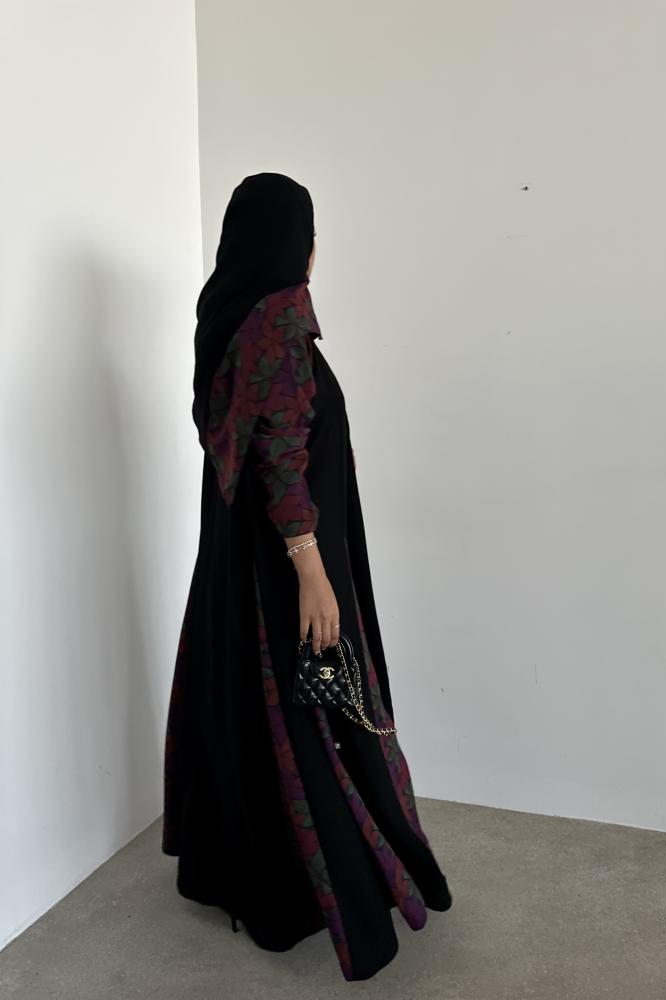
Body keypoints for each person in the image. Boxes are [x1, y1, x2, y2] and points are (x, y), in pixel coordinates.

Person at [161, 171, 452, 982]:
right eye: (311, 237)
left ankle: (240, 868)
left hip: (236, 564)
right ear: (299, 244)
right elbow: (283, 463)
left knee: (250, 710)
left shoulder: (225, 317)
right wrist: (312, 572)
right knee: (311, 711)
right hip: (286, 567)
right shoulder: (280, 324)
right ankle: (308, 887)